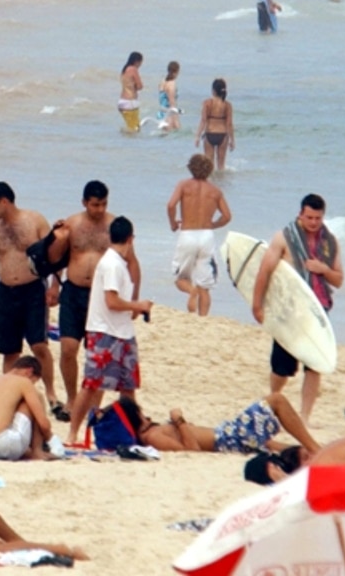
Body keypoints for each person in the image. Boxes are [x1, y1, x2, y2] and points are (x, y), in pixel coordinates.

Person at [0, 182, 63, 412]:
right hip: (5, 292)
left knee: (39, 345)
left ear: (4, 201)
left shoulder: (34, 220)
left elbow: (56, 255)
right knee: (9, 349)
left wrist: (55, 286)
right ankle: (9, 394)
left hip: (33, 290)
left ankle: (51, 393)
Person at [251, 194, 343, 423]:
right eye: (309, 217)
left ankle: (304, 417)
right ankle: (274, 400)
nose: (313, 222)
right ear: (300, 214)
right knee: (282, 367)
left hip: (317, 309)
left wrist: (323, 269)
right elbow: (265, 270)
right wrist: (257, 303)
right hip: (288, 309)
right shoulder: (284, 238)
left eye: (318, 218)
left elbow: (339, 280)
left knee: (314, 365)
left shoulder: (330, 243)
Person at [46, 181, 137, 412]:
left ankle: (92, 405)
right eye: (95, 205)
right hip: (73, 291)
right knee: (68, 349)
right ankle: (72, 399)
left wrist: (134, 300)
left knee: (96, 355)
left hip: (100, 297)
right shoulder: (73, 223)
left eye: (104, 204)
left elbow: (132, 262)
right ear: (84, 202)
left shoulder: (114, 226)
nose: (99, 209)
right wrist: (54, 286)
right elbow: (57, 258)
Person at [66, 216, 151, 444]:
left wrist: (133, 307)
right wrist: (138, 305)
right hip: (104, 332)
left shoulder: (118, 264)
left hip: (123, 332)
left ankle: (131, 431)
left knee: (128, 386)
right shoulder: (111, 263)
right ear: (131, 239)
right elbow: (112, 301)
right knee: (92, 384)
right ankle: (72, 433)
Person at [129, 393, 321, 455]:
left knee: (275, 446)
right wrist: (180, 422)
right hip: (227, 440)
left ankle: (310, 451)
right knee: (276, 400)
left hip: (227, 434)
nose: (145, 414)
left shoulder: (153, 431)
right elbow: (191, 451)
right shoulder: (152, 437)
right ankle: (314, 449)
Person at [165, 154, 231, 316]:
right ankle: (203, 318)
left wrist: (173, 223)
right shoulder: (215, 191)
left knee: (181, 278)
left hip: (188, 234)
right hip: (207, 236)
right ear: (209, 170)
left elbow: (171, 205)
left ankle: (191, 291)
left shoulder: (184, 185)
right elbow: (227, 216)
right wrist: (213, 225)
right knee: (205, 285)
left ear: (191, 168)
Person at [0, 356, 52, 460]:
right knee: (36, 397)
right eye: (33, 381)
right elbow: (44, 424)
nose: (32, 384)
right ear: (29, 371)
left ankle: (28, 451)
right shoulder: (23, 382)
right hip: (2, 445)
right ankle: (37, 451)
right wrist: (51, 439)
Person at [194, 78, 234, 171]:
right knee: (221, 166)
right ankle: (221, 184)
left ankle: (210, 183)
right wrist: (232, 140)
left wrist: (197, 136)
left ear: (213, 91)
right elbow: (229, 124)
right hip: (223, 135)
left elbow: (203, 121)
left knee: (209, 165)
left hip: (209, 134)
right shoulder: (227, 105)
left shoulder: (207, 103)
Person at [118, 51, 142, 133]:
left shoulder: (124, 70)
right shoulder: (133, 69)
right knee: (136, 128)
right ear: (137, 61)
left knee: (129, 127)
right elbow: (140, 86)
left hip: (122, 102)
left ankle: (125, 143)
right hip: (130, 102)